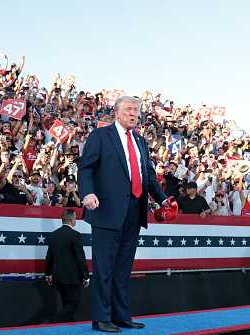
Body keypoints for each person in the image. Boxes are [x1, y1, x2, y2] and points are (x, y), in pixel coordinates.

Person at [78, 96, 168, 333]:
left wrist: (163, 199)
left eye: (137, 110)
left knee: (123, 268)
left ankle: (121, 316)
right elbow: (86, 167)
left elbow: (148, 175)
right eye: (129, 109)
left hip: (134, 211)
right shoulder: (100, 136)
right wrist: (87, 193)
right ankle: (101, 318)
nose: (134, 114)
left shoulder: (140, 141)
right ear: (117, 113)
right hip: (106, 210)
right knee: (104, 267)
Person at [45, 209, 89, 322]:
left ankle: (67, 325)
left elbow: (49, 256)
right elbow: (80, 257)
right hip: (72, 277)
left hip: (58, 276)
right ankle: (54, 321)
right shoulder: (75, 235)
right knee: (74, 302)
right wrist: (86, 275)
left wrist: (48, 274)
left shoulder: (54, 235)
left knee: (66, 303)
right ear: (72, 219)